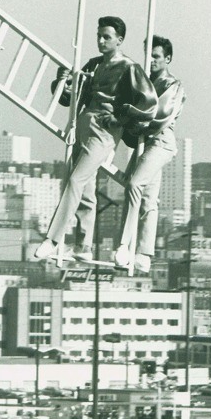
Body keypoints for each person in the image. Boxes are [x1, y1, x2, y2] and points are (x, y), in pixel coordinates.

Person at [34, 16, 157, 262]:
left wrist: (120, 119)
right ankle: (83, 245)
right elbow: (71, 93)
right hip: (83, 123)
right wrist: (64, 81)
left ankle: (53, 238)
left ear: (119, 40)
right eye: (99, 36)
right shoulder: (94, 64)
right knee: (85, 187)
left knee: (76, 181)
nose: (101, 41)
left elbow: (148, 102)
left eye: (107, 37)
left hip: (104, 130)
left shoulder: (129, 67)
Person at [114, 35, 186, 274]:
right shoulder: (142, 80)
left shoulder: (173, 85)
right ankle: (144, 254)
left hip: (160, 142)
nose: (152, 61)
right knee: (147, 199)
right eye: (149, 56)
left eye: (156, 57)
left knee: (134, 184)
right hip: (143, 143)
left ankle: (124, 244)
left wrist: (133, 118)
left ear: (167, 58)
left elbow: (160, 116)